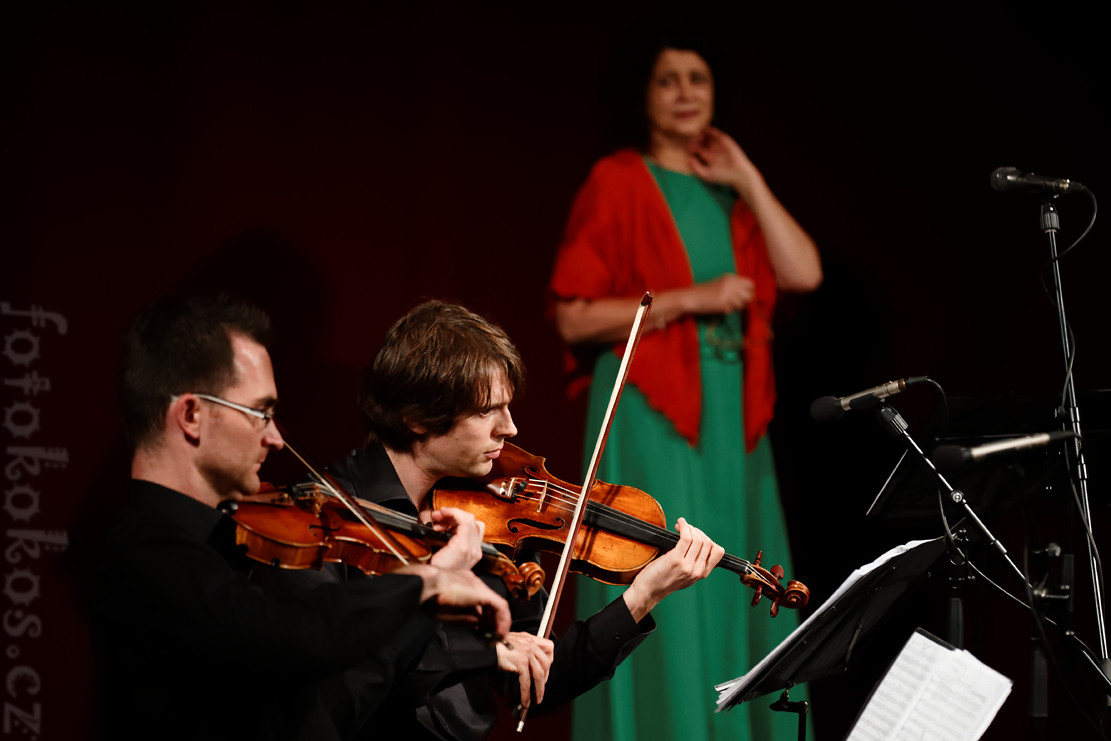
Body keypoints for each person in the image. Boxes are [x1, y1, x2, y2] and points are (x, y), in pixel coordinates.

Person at [548, 28, 823, 741]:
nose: (683, 94)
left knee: (741, 578)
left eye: (696, 79)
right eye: (667, 79)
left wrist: (748, 177)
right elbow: (573, 316)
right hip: (651, 409)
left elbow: (803, 273)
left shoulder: (732, 196)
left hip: (732, 420)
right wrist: (690, 297)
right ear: (643, 95)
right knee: (667, 579)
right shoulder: (617, 178)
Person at [90, 294, 511, 741]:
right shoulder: (146, 556)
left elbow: (316, 710)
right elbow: (300, 639)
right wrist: (424, 583)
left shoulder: (208, 547)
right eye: (261, 412)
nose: (274, 437)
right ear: (191, 415)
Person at [326, 299, 726, 739]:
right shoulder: (330, 518)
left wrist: (644, 595)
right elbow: (340, 675)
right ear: (418, 418)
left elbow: (534, 685)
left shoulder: (498, 519)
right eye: (486, 411)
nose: (510, 428)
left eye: (508, 407)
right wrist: (483, 651)